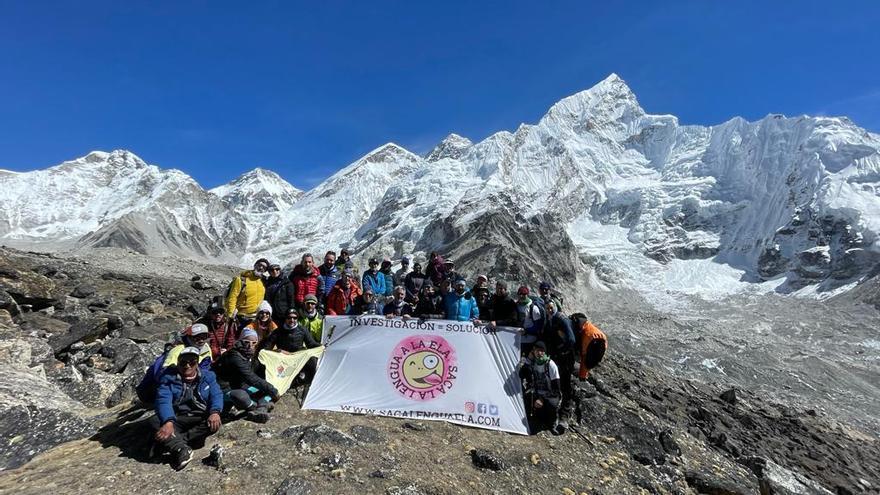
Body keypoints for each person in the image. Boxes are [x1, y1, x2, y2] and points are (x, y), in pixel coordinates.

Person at [149, 346, 223, 470]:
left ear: (197, 363)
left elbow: (216, 394)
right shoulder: (168, 379)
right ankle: (182, 449)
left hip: (199, 417)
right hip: (178, 417)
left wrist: (215, 412)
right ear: (178, 363)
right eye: (183, 362)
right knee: (154, 421)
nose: (187, 366)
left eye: (192, 362)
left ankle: (174, 441)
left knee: (213, 424)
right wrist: (168, 421)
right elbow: (163, 401)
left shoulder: (208, 377)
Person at [214, 329, 278, 424]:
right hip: (224, 389)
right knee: (241, 395)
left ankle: (259, 409)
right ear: (240, 341)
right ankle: (258, 407)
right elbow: (251, 378)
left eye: (254, 342)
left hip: (240, 385)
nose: (250, 345)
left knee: (265, 390)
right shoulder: (234, 356)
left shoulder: (249, 356)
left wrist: (270, 389)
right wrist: (273, 390)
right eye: (246, 342)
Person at [259, 309, 321, 383]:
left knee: (312, 358)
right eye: (289, 318)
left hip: (298, 356)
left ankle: (309, 381)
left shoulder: (302, 330)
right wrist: (277, 351)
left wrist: (322, 346)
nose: (292, 320)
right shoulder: (278, 331)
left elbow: (311, 344)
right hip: (283, 357)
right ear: (285, 318)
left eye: (295, 318)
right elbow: (266, 348)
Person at [519, 341, 564, 435]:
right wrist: (528, 360)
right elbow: (521, 374)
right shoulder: (532, 363)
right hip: (537, 393)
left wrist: (542, 399)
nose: (539, 353)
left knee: (551, 404)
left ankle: (552, 423)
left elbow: (556, 390)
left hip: (550, 395)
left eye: (542, 351)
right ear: (533, 352)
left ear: (545, 352)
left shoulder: (550, 365)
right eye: (537, 351)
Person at [545, 301, 576, 418]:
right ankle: (555, 412)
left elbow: (571, 340)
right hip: (557, 358)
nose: (550, 310)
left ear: (556, 307)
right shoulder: (550, 319)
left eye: (551, 307)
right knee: (557, 383)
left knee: (565, 385)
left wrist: (562, 351)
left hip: (566, 358)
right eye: (547, 308)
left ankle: (565, 415)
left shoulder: (562, 319)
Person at [225, 258, 270, 327]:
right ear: (255, 265)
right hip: (240, 317)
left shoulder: (263, 282)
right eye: (259, 265)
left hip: (255, 317)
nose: (261, 268)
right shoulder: (241, 279)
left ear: (265, 271)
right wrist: (231, 314)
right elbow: (232, 297)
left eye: (264, 267)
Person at [570, 313, 608, 380]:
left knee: (587, 360)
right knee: (588, 360)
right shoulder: (590, 336)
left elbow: (585, 356)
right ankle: (583, 374)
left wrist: (582, 376)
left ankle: (582, 374)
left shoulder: (587, 337)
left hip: (593, 339)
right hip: (600, 339)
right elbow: (585, 356)